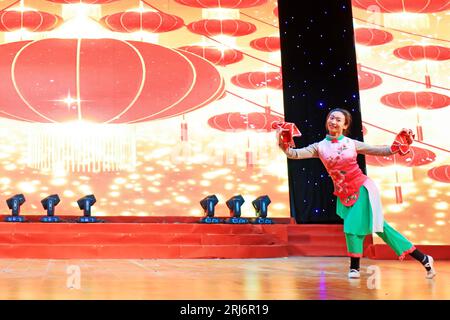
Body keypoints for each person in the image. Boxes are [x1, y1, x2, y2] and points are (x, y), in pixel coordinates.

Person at [277, 108, 436, 279]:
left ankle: (354, 268)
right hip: (344, 194)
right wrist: (283, 142)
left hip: (362, 189)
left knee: (351, 228)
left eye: (338, 120)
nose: (333, 122)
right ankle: (424, 258)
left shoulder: (352, 143)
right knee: (381, 228)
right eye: (331, 118)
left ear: (345, 125)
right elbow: (293, 154)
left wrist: (396, 146)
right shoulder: (319, 147)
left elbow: (380, 150)